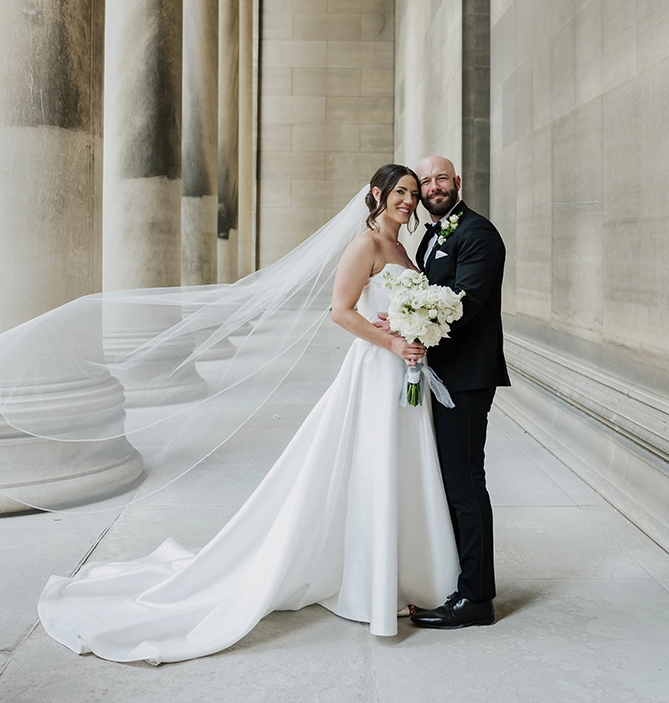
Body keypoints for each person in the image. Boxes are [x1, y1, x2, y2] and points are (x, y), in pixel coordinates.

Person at [25, 165, 462, 664]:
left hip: (402, 371)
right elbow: (341, 311)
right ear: (377, 196)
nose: (408, 201)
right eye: (399, 193)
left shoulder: (405, 247)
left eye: (413, 193)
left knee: (400, 468)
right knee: (372, 468)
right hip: (376, 371)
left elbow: (392, 305)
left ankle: (403, 571)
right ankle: (369, 582)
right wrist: (393, 340)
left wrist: (415, 332)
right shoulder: (364, 244)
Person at [400, 154, 507, 630]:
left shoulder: (478, 233)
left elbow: (466, 301)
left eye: (441, 177)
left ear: (457, 182)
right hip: (440, 376)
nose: (433, 186)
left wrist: (414, 331)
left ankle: (477, 598)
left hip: (465, 378)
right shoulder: (434, 233)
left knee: (465, 483)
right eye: (425, 181)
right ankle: (457, 578)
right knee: (449, 481)